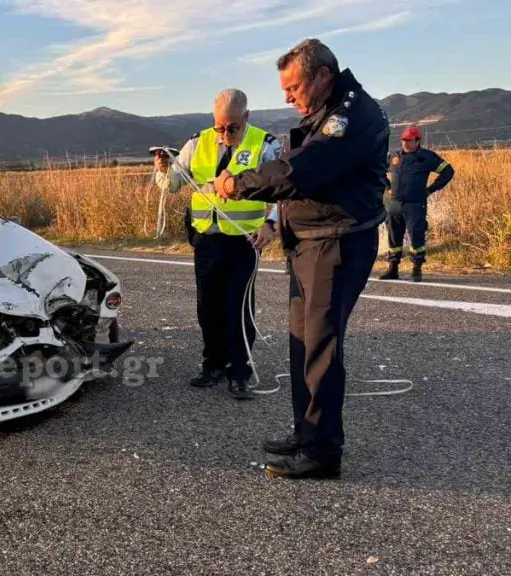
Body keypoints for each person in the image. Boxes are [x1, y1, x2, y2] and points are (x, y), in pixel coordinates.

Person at [214, 39, 389, 479]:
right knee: (302, 343)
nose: (287, 97)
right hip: (310, 243)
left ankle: (323, 452)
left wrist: (239, 183)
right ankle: (305, 432)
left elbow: (300, 170)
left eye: (293, 87)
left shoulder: (349, 117)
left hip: (336, 244)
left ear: (322, 76)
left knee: (321, 349)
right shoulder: (326, 110)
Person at [154, 88, 282, 400]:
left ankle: (239, 372)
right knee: (207, 307)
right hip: (207, 240)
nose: (225, 134)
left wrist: (272, 223)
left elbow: (286, 191)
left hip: (244, 240)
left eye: (233, 128)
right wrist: (162, 169)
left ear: (247, 118)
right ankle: (212, 364)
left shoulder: (265, 145)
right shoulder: (197, 143)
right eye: (220, 127)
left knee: (238, 307)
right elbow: (173, 185)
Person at [380, 126, 455, 282]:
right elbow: (379, 171)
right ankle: (393, 269)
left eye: (409, 141)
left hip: (415, 205)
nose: (405, 143)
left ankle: (416, 270)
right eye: (403, 140)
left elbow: (448, 171)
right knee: (394, 238)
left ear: (418, 141)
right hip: (394, 205)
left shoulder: (426, 157)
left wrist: (431, 190)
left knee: (416, 237)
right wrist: (387, 187)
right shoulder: (395, 156)